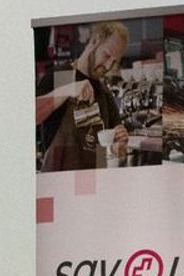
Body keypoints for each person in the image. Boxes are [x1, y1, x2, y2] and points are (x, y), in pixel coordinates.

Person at [35, 21, 130, 171]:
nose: (108, 66)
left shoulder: (104, 92)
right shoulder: (62, 75)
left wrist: (117, 146)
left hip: (95, 179)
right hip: (61, 179)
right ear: (95, 40)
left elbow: (106, 151)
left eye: (114, 62)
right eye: (106, 55)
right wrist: (67, 89)